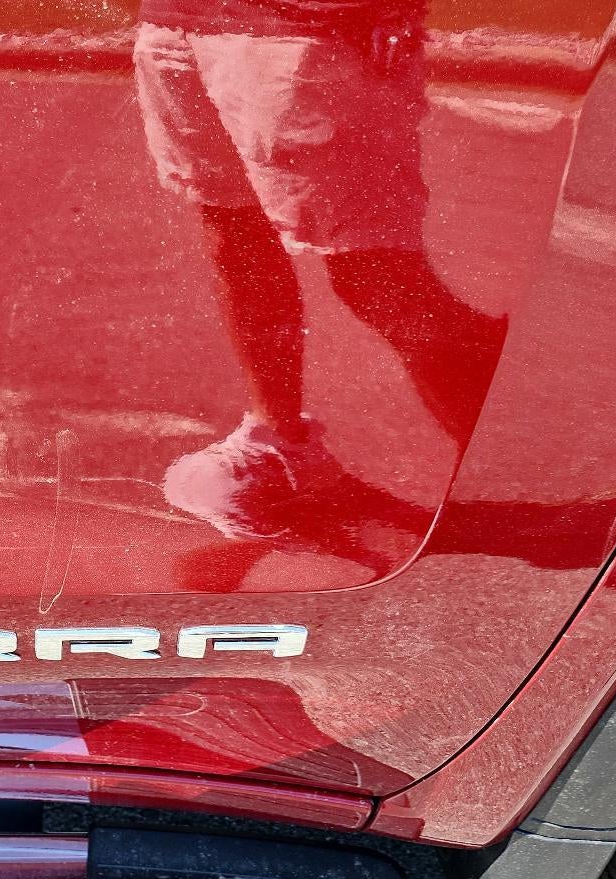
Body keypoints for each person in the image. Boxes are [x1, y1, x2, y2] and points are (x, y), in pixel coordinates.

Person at [136, 0, 508, 542]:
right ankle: (280, 443)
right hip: (178, 21)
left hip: (311, 29)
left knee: (375, 277)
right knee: (236, 234)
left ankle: (515, 451)